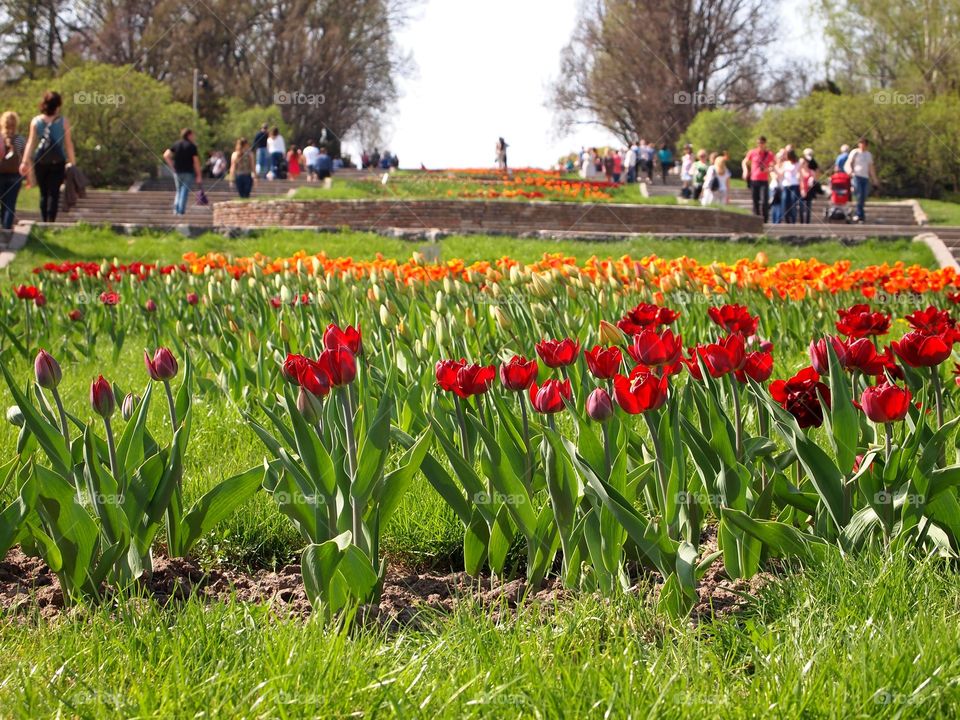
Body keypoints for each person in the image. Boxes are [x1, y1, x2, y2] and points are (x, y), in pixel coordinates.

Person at [19, 91, 76, 223]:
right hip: (58, 161)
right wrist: (72, 162)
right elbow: (68, 144)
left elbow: (31, 143)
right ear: (57, 106)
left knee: (43, 193)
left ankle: (44, 220)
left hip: (41, 161)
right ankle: (51, 221)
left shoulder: (36, 121)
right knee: (54, 193)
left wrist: (24, 162)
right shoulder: (63, 121)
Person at [163, 128, 202, 215]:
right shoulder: (192, 146)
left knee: (179, 190)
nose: (194, 137)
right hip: (188, 172)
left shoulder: (176, 144)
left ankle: (176, 210)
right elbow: (196, 161)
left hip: (177, 171)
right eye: (193, 135)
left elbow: (166, 155)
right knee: (184, 190)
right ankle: (180, 211)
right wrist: (199, 174)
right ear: (189, 135)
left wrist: (172, 166)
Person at [0, 111, 26, 230]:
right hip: (15, 176)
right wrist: (30, 176)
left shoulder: (0, 138)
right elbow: (25, 158)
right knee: (10, 205)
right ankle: (6, 229)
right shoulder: (19, 139)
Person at [845, 137, 879, 223]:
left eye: (864, 144)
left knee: (863, 196)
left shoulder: (868, 154)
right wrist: (850, 172)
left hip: (865, 177)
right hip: (856, 176)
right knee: (859, 194)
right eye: (861, 143)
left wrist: (874, 179)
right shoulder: (855, 152)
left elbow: (871, 168)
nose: (862, 145)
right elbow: (849, 162)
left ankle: (859, 214)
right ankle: (859, 215)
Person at [742, 136, 775, 222]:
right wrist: (745, 171)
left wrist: (767, 169)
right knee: (755, 200)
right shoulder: (752, 152)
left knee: (764, 200)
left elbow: (773, 166)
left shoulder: (769, 154)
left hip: (764, 180)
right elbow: (744, 161)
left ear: (765, 144)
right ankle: (756, 220)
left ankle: (765, 219)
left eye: (761, 143)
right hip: (754, 180)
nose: (759, 145)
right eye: (758, 143)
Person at [779, 148, 801, 224]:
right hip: (786, 185)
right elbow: (781, 173)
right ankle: (786, 219)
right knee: (785, 201)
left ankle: (793, 219)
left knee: (793, 201)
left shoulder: (797, 163)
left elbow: (799, 173)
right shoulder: (785, 164)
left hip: (794, 184)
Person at [799, 148, 820, 224]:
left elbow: (817, 172)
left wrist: (813, 179)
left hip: (810, 188)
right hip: (802, 189)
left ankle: (807, 221)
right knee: (802, 206)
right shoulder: (801, 165)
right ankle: (802, 221)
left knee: (808, 205)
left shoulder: (813, 163)